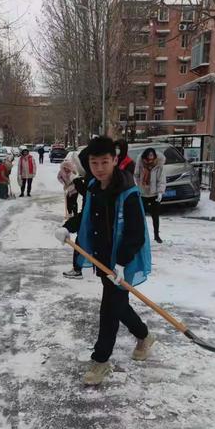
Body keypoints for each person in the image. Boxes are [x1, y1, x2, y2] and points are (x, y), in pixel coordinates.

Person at [55, 136, 154, 386]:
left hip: (123, 261)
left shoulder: (127, 192)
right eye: (94, 162)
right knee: (118, 304)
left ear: (115, 160)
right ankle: (143, 335)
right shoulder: (92, 188)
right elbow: (86, 216)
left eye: (104, 162)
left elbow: (136, 233)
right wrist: (68, 227)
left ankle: (101, 360)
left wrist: (121, 263)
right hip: (102, 259)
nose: (99, 168)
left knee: (109, 308)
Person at [62, 148, 89, 280]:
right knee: (80, 242)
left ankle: (78, 269)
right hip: (87, 219)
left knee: (82, 241)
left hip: (96, 225)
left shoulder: (97, 182)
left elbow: (91, 206)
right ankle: (77, 269)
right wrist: (67, 226)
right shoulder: (91, 178)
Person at [134, 147, 166, 244]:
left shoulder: (159, 165)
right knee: (140, 216)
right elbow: (136, 175)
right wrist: (137, 187)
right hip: (143, 193)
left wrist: (160, 192)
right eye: (149, 155)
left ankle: (156, 235)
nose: (151, 157)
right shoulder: (141, 163)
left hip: (154, 194)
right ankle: (141, 235)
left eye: (152, 155)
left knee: (155, 216)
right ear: (145, 156)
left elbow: (161, 179)